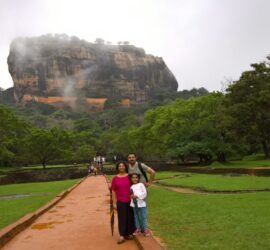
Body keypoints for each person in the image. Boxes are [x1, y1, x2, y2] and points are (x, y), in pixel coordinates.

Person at [111, 161, 135, 244]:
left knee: (130, 217)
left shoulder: (129, 176)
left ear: (125, 167)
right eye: (120, 166)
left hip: (130, 200)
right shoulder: (115, 178)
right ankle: (122, 235)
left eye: (123, 166)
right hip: (120, 201)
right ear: (117, 168)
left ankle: (129, 233)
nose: (121, 167)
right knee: (122, 218)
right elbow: (113, 191)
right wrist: (114, 202)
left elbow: (135, 185)